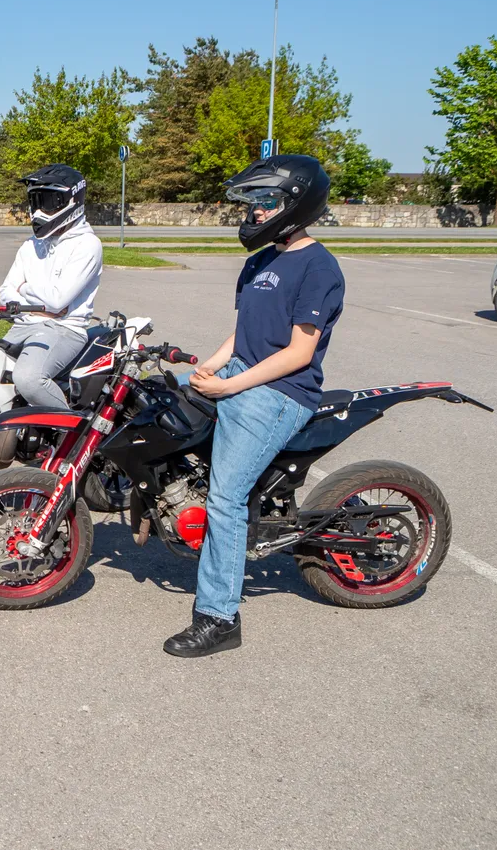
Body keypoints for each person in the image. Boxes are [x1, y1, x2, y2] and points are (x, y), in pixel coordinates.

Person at [164, 154, 345, 658]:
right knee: (157, 400)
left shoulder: (318, 266)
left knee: (225, 498)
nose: (256, 212)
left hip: (282, 391)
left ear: (295, 204)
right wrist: (207, 369)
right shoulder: (257, 262)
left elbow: (299, 352)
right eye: (253, 202)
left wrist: (230, 385)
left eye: (265, 202)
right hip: (241, 374)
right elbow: (241, 335)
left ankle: (219, 618)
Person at [0, 164, 104, 409]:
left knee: (28, 379)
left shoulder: (87, 245)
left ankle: (70, 434)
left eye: (47, 202)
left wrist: (23, 289)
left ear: (71, 200)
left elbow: (57, 302)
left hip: (64, 329)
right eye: (35, 202)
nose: (38, 211)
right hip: (25, 325)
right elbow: (5, 291)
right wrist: (36, 303)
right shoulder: (31, 244)